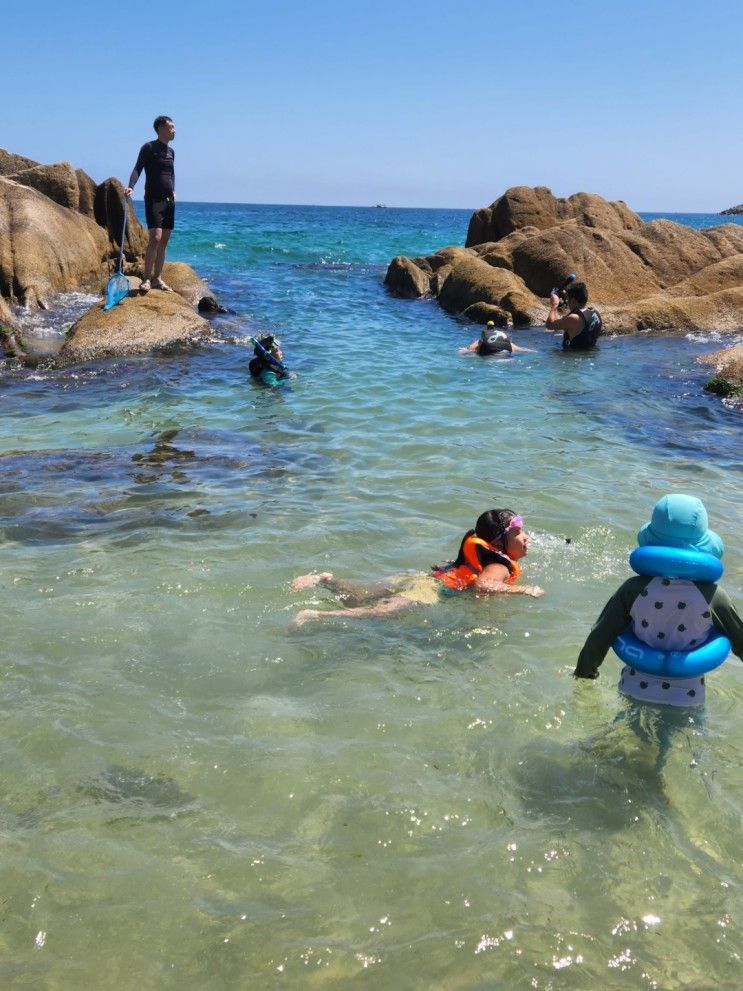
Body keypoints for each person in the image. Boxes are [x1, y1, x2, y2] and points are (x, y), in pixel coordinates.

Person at [574, 494, 743, 705]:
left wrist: (584, 674)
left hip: (634, 686)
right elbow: (740, 641)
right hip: (688, 696)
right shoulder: (713, 597)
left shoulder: (633, 589)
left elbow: (600, 635)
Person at [290, 508, 543, 626]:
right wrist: (523, 590)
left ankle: (325, 580)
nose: (527, 537)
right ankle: (316, 616)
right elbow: (482, 584)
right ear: (498, 542)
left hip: (423, 578)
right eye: (519, 533)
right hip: (431, 592)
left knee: (362, 595)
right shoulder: (500, 566)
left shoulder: (484, 552)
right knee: (376, 612)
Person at [124, 116, 177, 294]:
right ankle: (146, 278)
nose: (174, 130)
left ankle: (158, 279)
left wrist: (174, 190)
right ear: (160, 129)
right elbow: (138, 168)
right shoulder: (149, 147)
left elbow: (171, 174)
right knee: (155, 237)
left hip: (169, 201)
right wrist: (131, 187)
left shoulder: (172, 152)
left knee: (164, 241)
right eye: (170, 127)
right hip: (153, 199)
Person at [545, 281, 602, 350]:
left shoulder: (574, 319)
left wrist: (554, 305)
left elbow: (549, 325)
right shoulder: (595, 312)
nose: (567, 302)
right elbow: (559, 327)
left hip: (570, 358)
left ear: (573, 301)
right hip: (590, 356)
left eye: (568, 299)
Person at [459, 322, 534, 357]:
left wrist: (464, 350)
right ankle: (530, 351)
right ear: (494, 328)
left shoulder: (484, 336)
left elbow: (472, 348)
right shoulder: (501, 335)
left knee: (476, 346)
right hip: (505, 357)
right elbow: (515, 348)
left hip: (489, 357)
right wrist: (528, 350)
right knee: (516, 348)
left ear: (487, 328)